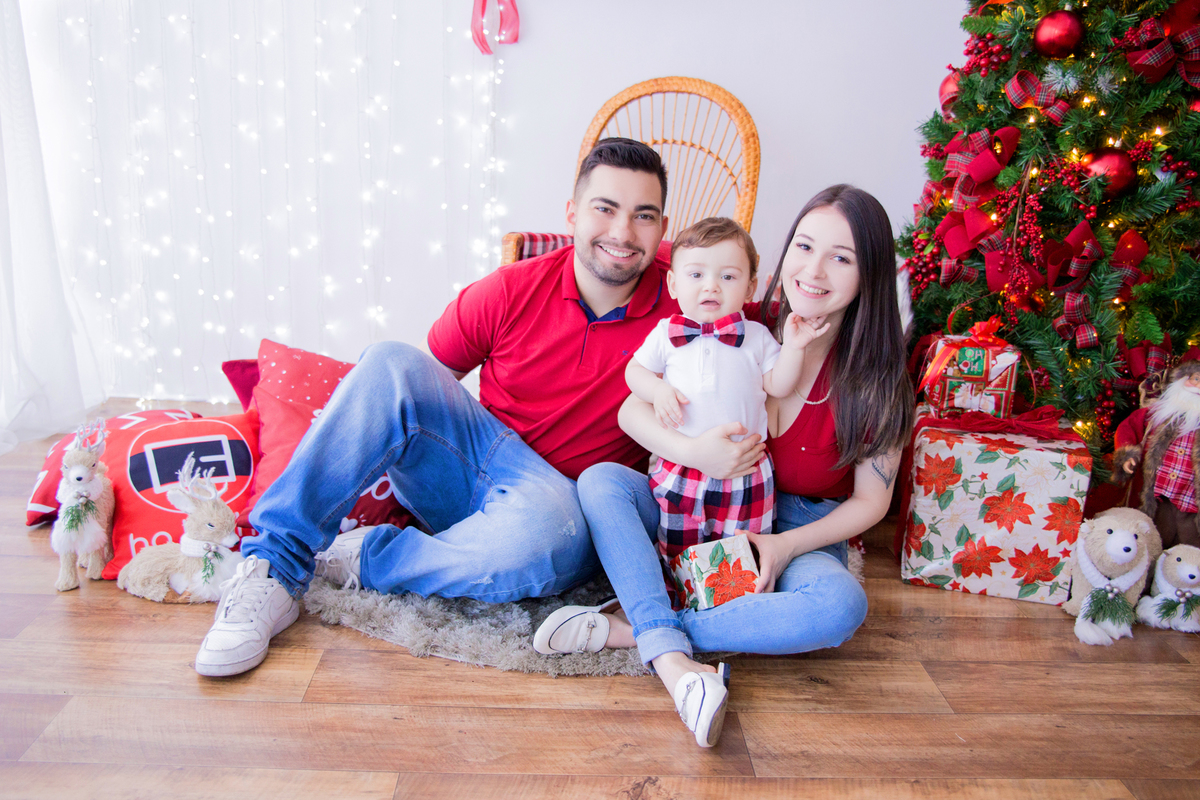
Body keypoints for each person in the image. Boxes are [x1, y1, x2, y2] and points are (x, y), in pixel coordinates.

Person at [193, 138, 685, 677]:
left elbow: (753, 314)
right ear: (572, 214)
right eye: (605, 208)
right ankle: (273, 565)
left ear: (663, 228)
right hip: (475, 463)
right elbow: (423, 389)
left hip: (565, 511)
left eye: (644, 215)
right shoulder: (508, 291)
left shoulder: (688, 309)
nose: (622, 232)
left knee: (540, 533)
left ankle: (365, 558)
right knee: (389, 361)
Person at [532, 185, 915, 748]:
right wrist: (690, 451)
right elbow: (631, 408)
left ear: (870, 274)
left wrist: (784, 548)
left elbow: (870, 502)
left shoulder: (879, 379)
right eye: (804, 247)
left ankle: (637, 631)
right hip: (692, 490)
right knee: (602, 481)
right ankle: (670, 649)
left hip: (800, 527)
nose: (813, 270)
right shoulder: (740, 316)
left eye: (841, 257)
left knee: (839, 606)